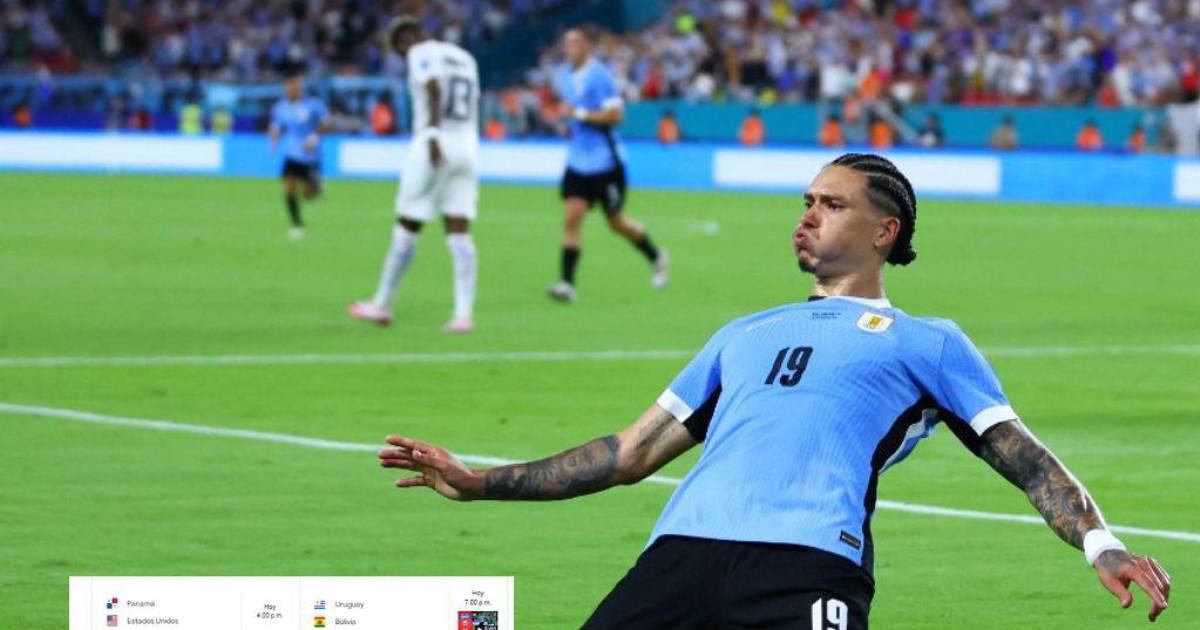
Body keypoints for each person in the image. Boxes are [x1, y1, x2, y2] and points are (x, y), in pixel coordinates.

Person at [378, 153, 1171, 628]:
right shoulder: (743, 333)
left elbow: (1025, 458)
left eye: (832, 205)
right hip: (678, 558)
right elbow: (626, 454)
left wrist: (1101, 544)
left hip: (807, 568)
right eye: (807, 202)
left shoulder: (928, 342)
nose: (808, 217)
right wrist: (479, 483)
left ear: (884, 231)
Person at [348, 16, 480, 333]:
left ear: (407, 38)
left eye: (398, 46)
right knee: (459, 232)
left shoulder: (421, 52)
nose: (401, 53)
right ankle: (463, 315)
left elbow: (433, 86)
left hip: (434, 143)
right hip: (467, 146)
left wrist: (433, 135)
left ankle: (381, 304)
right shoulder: (464, 57)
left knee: (408, 224)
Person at [546, 28, 668, 303]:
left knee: (615, 222)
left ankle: (656, 256)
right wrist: (567, 122)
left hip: (605, 162)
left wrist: (578, 113)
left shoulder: (599, 75)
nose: (569, 48)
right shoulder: (565, 76)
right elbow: (573, 114)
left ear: (587, 46)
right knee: (572, 217)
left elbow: (616, 115)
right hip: (578, 160)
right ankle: (566, 283)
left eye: (575, 43)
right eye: (567, 43)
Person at [269, 70, 330, 239]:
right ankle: (297, 226)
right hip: (291, 153)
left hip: (310, 155)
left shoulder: (314, 105)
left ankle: (317, 186)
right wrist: (274, 140)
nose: (291, 88)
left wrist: (314, 137)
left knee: (308, 195)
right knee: (289, 188)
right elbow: (276, 126)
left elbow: (326, 122)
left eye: (295, 85)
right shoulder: (280, 107)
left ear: (300, 86)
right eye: (288, 86)